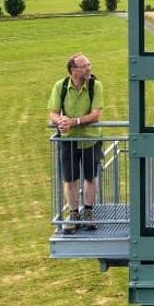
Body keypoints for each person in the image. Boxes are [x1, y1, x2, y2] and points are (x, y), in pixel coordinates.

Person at [49, 53, 103, 233]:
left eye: (89, 64)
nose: (89, 68)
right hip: (68, 141)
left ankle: (88, 214)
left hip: (90, 140)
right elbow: (53, 112)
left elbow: (96, 115)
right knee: (70, 179)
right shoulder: (61, 86)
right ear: (73, 70)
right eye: (85, 66)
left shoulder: (95, 85)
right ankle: (73, 216)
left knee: (90, 177)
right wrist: (60, 121)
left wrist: (74, 122)